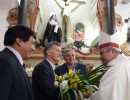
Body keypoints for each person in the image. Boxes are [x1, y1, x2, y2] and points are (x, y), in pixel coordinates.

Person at [0, 25, 36, 100]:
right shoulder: (5, 61)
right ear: (19, 41)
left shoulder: (12, 60)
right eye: (32, 43)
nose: (34, 48)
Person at [91, 31, 130, 100]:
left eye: (102, 53)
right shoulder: (124, 64)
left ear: (112, 51)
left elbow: (103, 96)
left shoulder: (116, 71)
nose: (100, 57)